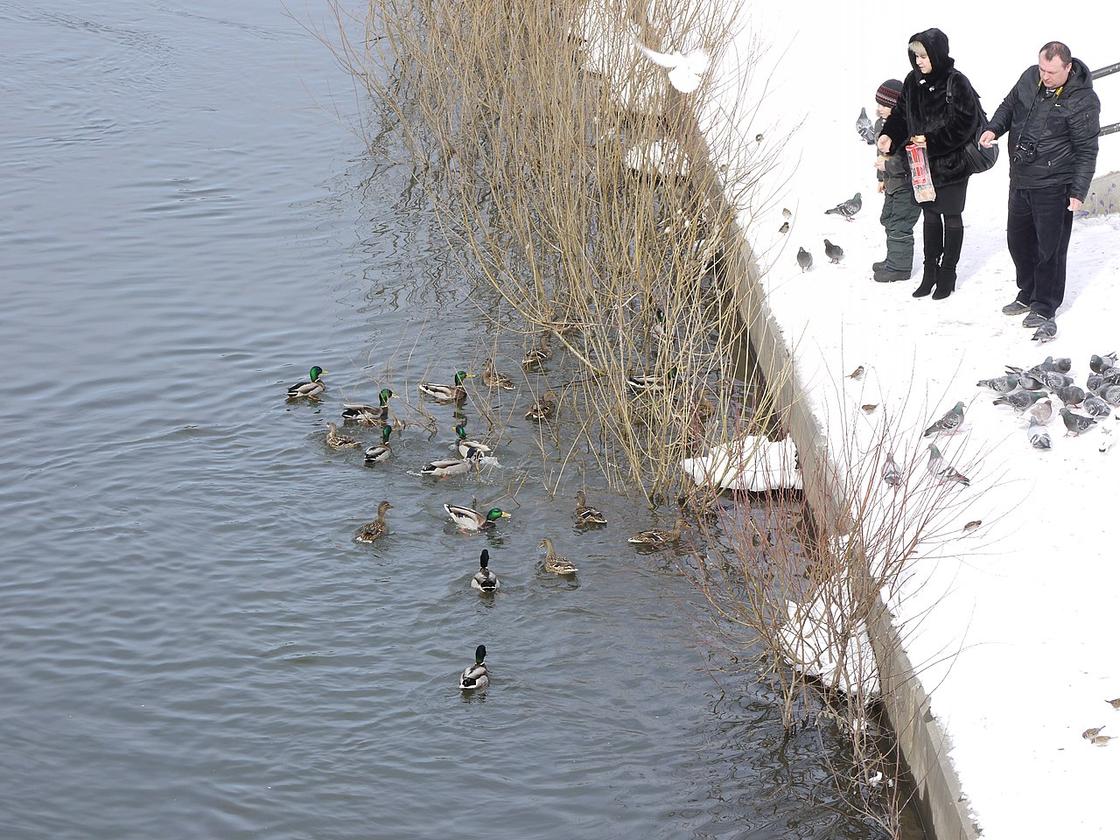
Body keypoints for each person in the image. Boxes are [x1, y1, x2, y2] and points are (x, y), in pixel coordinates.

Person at [979, 42, 1101, 328]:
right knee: (1018, 241)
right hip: (1021, 179)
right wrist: (993, 127)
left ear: (1068, 68)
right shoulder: (1029, 77)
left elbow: (1086, 149)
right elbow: (1009, 106)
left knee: (1050, 249)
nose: (1044, 76)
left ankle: (1045, 305)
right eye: (1042, 69)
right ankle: (1027, 292)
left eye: (1052, 72)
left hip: (1054, 184)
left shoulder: (1083, 100)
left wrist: (1078, 191)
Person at [878, 28, 980, 300]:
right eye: (915, 56)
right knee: (930, 217)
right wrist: (889, 134)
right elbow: (900, 114)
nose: (919, 61)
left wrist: (931, 141)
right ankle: (929, 273)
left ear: (936, 54)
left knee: (951, 216)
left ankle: (948, 273)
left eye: (923, 56)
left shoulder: (956, 82)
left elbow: (965, 124)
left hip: (952, 165)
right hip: (922, 167)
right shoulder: (912, 81)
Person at [871, 79, 922, 282]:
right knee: (888, 219)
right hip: (892, 183)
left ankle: (899, 268)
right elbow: (881, 153)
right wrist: (881, 177)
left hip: (908, 186)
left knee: (900, 223)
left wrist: (888, 167)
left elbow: (913, 159)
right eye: (879, 104)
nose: (880, 109)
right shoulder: (881, 124)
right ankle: (893, 258)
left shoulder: (909, 126)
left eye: (885, 105)